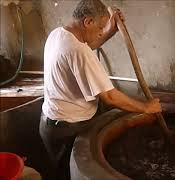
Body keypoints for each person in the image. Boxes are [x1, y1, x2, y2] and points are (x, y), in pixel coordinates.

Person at [39, 0, 162, 179]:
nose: (100, 33)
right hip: (66, 130)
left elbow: (88, 45)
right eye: (100, 28)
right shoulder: (78, 51)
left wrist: (110, 30)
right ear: (87, 22)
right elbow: (110, 97)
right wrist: (146, 108)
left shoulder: (59, 34)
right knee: (67, 176)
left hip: (53, 123)